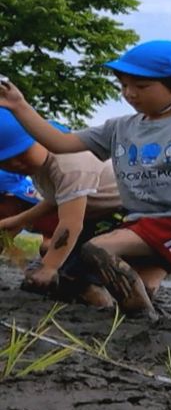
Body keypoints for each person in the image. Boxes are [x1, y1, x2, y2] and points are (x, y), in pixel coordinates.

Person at [0, 40, 171, 317]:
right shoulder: (120, 127)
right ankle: (137, 314)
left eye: (141, 86)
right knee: (141, 287)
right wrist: (19, 106)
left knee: (96, 250)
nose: (130, 94)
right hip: (138, 221)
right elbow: (61, 141)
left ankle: (140, 316)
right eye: (124, 85)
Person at [0, 113, 124, 306]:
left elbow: (71, 223)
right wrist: (17, 221)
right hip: (94, 218)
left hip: (120, 216)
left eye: (21, 154)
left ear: (41, 136)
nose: (15, 164)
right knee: (53, 279)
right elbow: (55, 200)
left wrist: (49, 266)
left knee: (80, 279)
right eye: (5, 161)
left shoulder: (69, 164)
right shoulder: (39, 164)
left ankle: (110, 304)